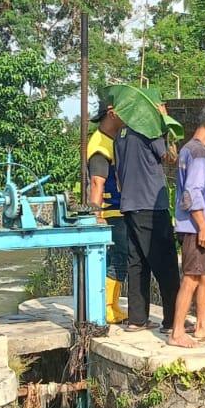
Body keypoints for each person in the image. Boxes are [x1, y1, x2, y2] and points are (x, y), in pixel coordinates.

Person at [112, 88, 181, 333]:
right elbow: (171, 158)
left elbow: (119, 173)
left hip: (129, 205)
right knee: (166, 264)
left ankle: (137, 319)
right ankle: (173, 320)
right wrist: (166, 125)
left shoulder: (120, 135)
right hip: (151, 205)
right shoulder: (149, 131)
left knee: (137, 263)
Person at [168, 105, 205, 348]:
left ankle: (202, 324)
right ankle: (177, 332)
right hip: (195, 227)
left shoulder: (187, 149)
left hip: (195, 225)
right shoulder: (199, 153)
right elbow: (192, 193)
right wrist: (203, 227)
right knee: (192, 277)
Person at [85, 98, 128, 324]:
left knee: (121, 257)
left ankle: (114, 304)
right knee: (117, 257)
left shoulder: (111, 140)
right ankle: (107, 305)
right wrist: (96, 214)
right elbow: (96, 182)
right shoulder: (100, 144)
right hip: (110, 212)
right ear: (111, 113)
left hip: (119, 209)